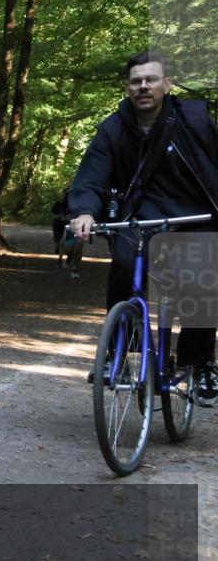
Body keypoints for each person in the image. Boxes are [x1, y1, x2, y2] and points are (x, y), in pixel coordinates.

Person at [69, 51, 218, 406]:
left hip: (192, 214)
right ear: (127, 87)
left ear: (167, 84)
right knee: (123, 263)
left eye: (151, 79)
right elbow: (91, 175)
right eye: (136, 81)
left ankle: (199, 364)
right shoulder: (114, 128)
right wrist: (85, 212)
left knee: (200, 278)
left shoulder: (194, 121)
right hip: (140, 215)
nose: (143, 86)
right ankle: (120, 351)